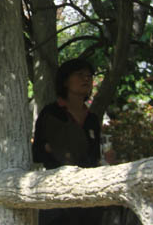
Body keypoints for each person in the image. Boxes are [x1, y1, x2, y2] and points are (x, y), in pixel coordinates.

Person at [32, 58, 103, 225]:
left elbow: (95, 156)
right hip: (57, 196)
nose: (86, 79)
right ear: (65, 81)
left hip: (89, 197)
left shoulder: (92, 119)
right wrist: (51, 149)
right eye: (80, 75)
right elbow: (37, 152)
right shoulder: (51, 113)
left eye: (89, 76)